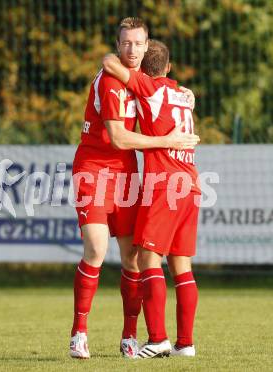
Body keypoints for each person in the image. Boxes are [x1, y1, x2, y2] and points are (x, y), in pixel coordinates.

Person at [69, 18, 200, 359]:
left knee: (133, 258)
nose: (132, 49)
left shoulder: (144, 84)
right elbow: (118, 137)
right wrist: (167, 139)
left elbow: (165, 92)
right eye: (126, 43)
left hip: (127, 173)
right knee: (97, 249)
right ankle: (79, 333)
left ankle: (130, 335)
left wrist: (188, 93)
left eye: (138, 43)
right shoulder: (113, 82)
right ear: (119, 44)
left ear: (146, 46)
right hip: (95, 171)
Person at [103, 39, 201, 358]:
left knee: (146, 258)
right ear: (170, 68)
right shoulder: (182, 95)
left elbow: (109, 64)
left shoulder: (148, 87)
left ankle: (157, 338)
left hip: (164, 184)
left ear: (143, 66)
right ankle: (185, 344)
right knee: (181, 265)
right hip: (191, 182)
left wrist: (129, 63)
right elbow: (186, 98)